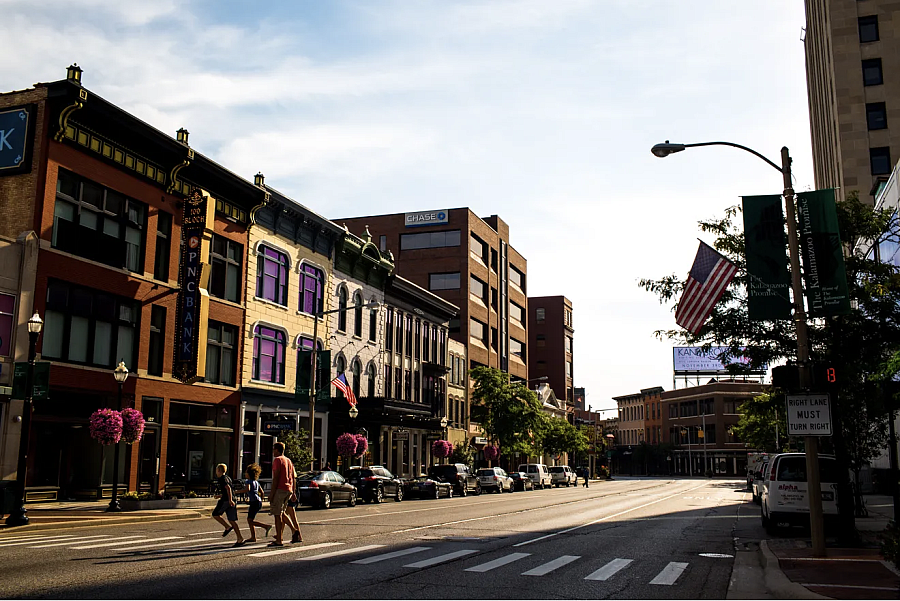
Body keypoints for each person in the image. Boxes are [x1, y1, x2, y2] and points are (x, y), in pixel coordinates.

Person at [268, 442, 301, 546]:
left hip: (280, 489)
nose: (273, 452)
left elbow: (276, 477)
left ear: (277, 450)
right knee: (282, 512)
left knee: (277, 514)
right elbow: (293, 477)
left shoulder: (277, 460)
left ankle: (279, 539)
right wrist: (293, 492)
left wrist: (271, 493)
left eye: (274, 450)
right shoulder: (288, 460)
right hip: (288, 489)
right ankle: (294, 531)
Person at [234, 463, 271, 543]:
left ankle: (265, 526)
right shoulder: (256, 482)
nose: (245, 474)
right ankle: (253, 537)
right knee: (250, 519)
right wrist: (260, 499)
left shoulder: (248, 481)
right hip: (257, 501)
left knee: (250, 520)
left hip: (254, 502)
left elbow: (247, 489)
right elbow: (262, 492)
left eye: (246, 472)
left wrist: (237, 492)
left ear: (249, 474)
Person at [211, 463, 245, 547]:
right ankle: (240, 538)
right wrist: (221, 495)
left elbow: (228, 488)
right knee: (232, 520)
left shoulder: (222, 478)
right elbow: (229, 490)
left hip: (226, 501)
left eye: (216, 470)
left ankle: (227, 527)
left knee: (215, 514)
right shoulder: (228, 478)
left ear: (218, 471)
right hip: (232, 499)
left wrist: (229, 500)